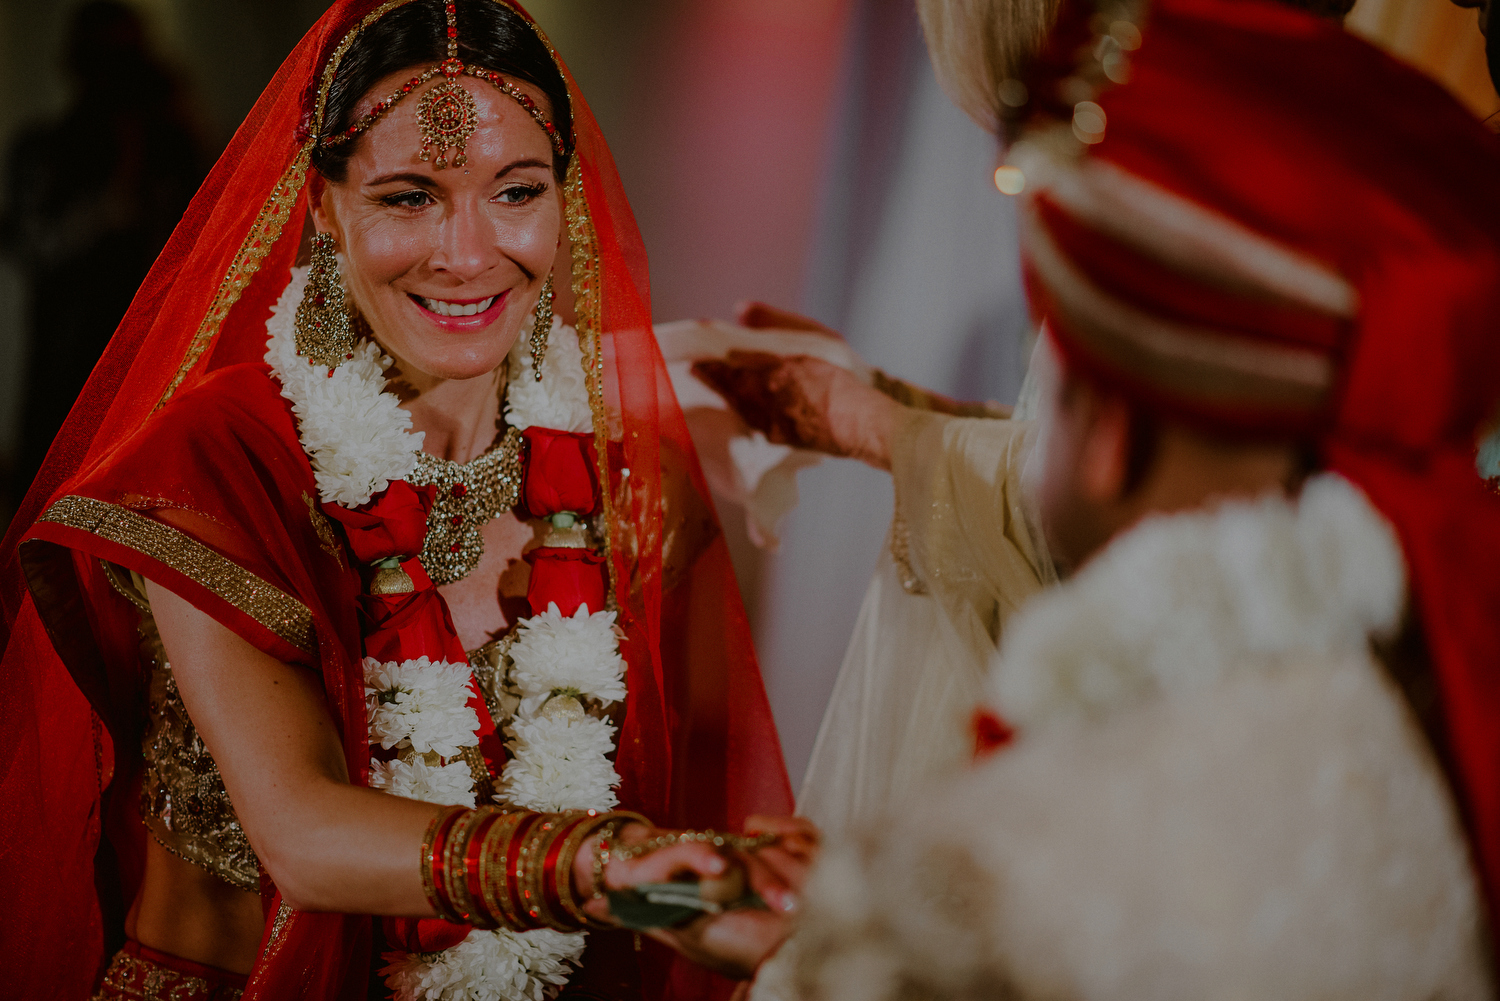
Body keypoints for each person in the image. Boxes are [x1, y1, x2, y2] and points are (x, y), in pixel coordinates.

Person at [0, 1, 795, 998]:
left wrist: (733, 889)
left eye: (516, 191)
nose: (465, 254)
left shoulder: (619, 475)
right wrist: (605, 867)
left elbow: (686, 781)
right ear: (324, 205)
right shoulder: (216, 459)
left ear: (563, 200)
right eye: (409, 198)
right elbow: (303, 829)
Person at [733, 0, 1500, 992]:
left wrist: (811, 941)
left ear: (1107, 435)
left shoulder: (990, 886)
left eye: (1049, 370)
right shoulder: (1431, 756)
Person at [1, 0, 205, 511]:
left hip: (149, 366)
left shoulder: (168, 147)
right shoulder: (44, 149)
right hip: (66, 367)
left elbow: (206, 247)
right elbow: (33, 245)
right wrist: (114, 194)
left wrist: (176, 119)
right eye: (104, 60)